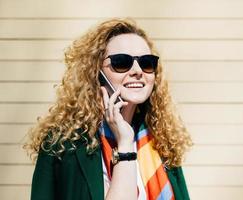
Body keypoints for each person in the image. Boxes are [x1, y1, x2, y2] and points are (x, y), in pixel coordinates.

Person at [24, 18, 192, 200]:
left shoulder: (162, 140)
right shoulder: (63, 145)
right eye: (122, 62)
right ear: (97, 73)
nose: (137, 71)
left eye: (146, 62)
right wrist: (125, 143)